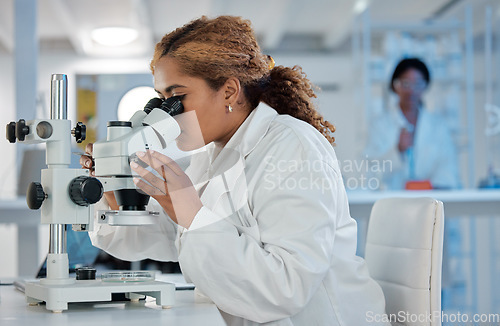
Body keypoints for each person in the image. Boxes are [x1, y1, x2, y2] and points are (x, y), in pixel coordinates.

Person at [81, 16, 389, 325]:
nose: (166, 114)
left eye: (176, 98)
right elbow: (161, 237)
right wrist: (113, 190)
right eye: (161, 100)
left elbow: (287, 288)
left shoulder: (293, 147)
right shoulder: (211, 156)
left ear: (229, 91)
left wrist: (192, 212)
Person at [364, 57, 461, 190]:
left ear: (425, 86)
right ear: (395, 85)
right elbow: (370, 170)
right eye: (405, 83)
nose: (411, 90)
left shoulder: (438, 126)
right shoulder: (380, 126)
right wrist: (397, 151)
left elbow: (448, 167)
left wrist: (422, 187)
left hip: (431, 199)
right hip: (393, 201)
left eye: (418, 83)